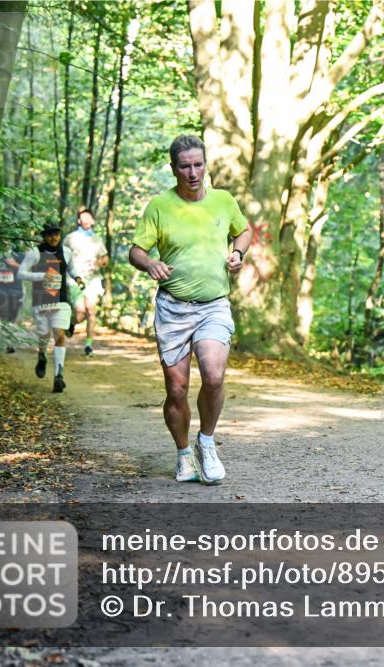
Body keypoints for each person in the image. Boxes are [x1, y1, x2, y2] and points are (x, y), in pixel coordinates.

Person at [129, 135, 251, 485]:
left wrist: (238, 253)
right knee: (177, 389)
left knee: (213, 375)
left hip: (213, 304)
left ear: (205, 165)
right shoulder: (159, 206)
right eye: (185, 166)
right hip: (173, 308)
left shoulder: (223, 201)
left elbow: (243, 232)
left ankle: (207, 444)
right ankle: (184, 454)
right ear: (174, 168)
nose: (192, 172)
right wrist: (149, 262)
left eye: (198, 164)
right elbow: (136, 250)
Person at [18, 224, 84, 393]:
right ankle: (42, 355)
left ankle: (58, 376)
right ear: (44, 236)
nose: (53, 237)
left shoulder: (66, 252)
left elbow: (71, 268)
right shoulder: (35, 253)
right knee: (44, 336)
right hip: (40, 301)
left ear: (60, 234)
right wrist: (41, 276)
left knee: (59, 335)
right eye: (50, 235)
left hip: (60, 301)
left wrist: (77, 277)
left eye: (56, 234)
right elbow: (21, 273)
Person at [64, 208, 109, 355]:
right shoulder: (70, 238)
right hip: (75, 279)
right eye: (83, 217)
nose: (86, 220)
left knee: (91, 310)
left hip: (93, 279)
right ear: (79, 221)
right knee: (80, 313)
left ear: (93, 221)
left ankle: (89, 345)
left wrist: (99, 263)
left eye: (89, 217)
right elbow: (62, 255)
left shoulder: (97, 239)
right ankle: (72, 323)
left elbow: (105, 259)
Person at [0, 241, 26, 353]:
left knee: (12, 315)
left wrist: (14, 264)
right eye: (3, 240)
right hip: (0, 289)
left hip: (16, 289)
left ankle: (9, 334)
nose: (6, 242)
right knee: (4, 313)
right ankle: (8, 341)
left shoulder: (20, 255)